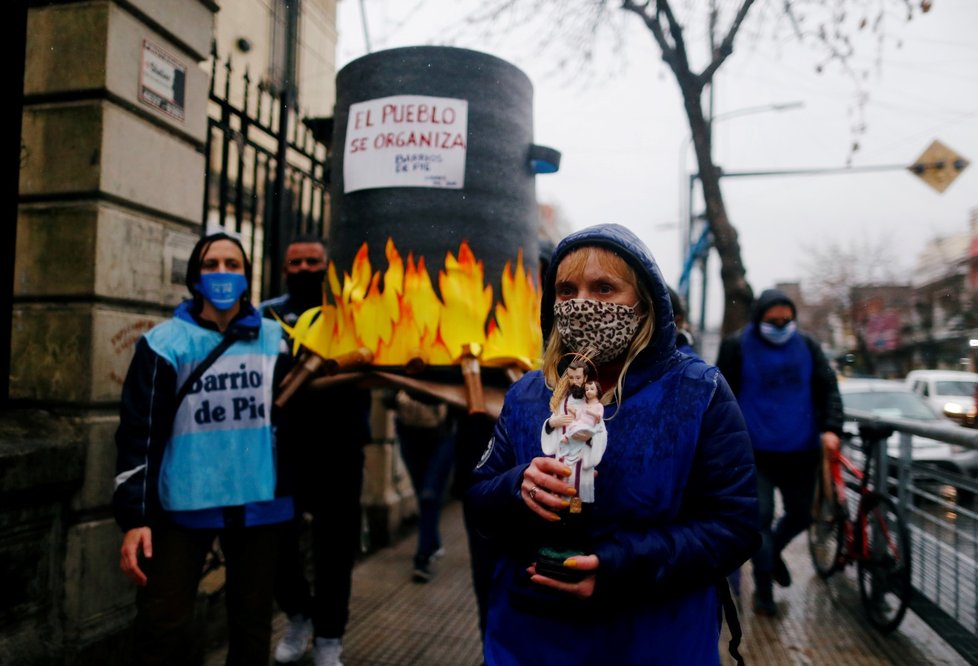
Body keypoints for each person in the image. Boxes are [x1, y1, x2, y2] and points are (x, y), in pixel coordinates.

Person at [465, 223, 760, 665]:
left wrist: (617, 566)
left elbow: (734, 527)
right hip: (531, 638)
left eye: (604, 288)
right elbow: (478, 499)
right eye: (566, 290)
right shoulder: (529, 393)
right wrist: (516, 488)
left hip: (657, 640)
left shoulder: (698, 392)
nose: (582, 303)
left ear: (644, 303)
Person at [113, 231, 293, 666]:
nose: (222, 274)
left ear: (248, 277)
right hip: (184, 506)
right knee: (163, 624)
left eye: (233, 265)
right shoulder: (164, 343)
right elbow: (140, 433)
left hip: (258, 504)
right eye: (211, 265)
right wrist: (136, 518)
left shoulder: (276, 339)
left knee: (251, 627)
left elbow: (292, 424)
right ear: (195, 277)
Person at [260, 235, 372, 666]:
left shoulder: (356, 315)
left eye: (314, 261)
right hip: (281, 448)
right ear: (284, 267)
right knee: (277, 543)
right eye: (296, 262)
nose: (305, 268)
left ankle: (329, 637)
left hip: (341, 447)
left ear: (328, 265)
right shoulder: (266, 315)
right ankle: (298, 615)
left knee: (335, 547)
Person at [716, 288, 843, 617]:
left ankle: (772, 557)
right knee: (760, 519)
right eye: (773, 320)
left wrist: (832, 428)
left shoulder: (808, 346)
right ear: (759, 318)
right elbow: (719, 394)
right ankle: (764, 592)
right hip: (754, 450)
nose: (781, 325)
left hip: (801, 450)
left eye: (787, 320)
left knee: (802, 515)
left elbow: (828, 386)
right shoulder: (736, 346)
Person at [388, 388, 457, 582]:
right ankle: (432, 542)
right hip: (409, 428)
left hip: (443, 431)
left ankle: (422, 557)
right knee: (423, 493)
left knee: (429, 495)